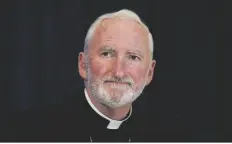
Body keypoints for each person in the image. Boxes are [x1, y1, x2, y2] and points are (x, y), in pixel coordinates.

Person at [3, 9, 189, 142]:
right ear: (83, 65)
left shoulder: (169, 137)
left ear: (149, 73)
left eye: (133, 57)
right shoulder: (25, 133)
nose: (118, 72)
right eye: (107, 54)